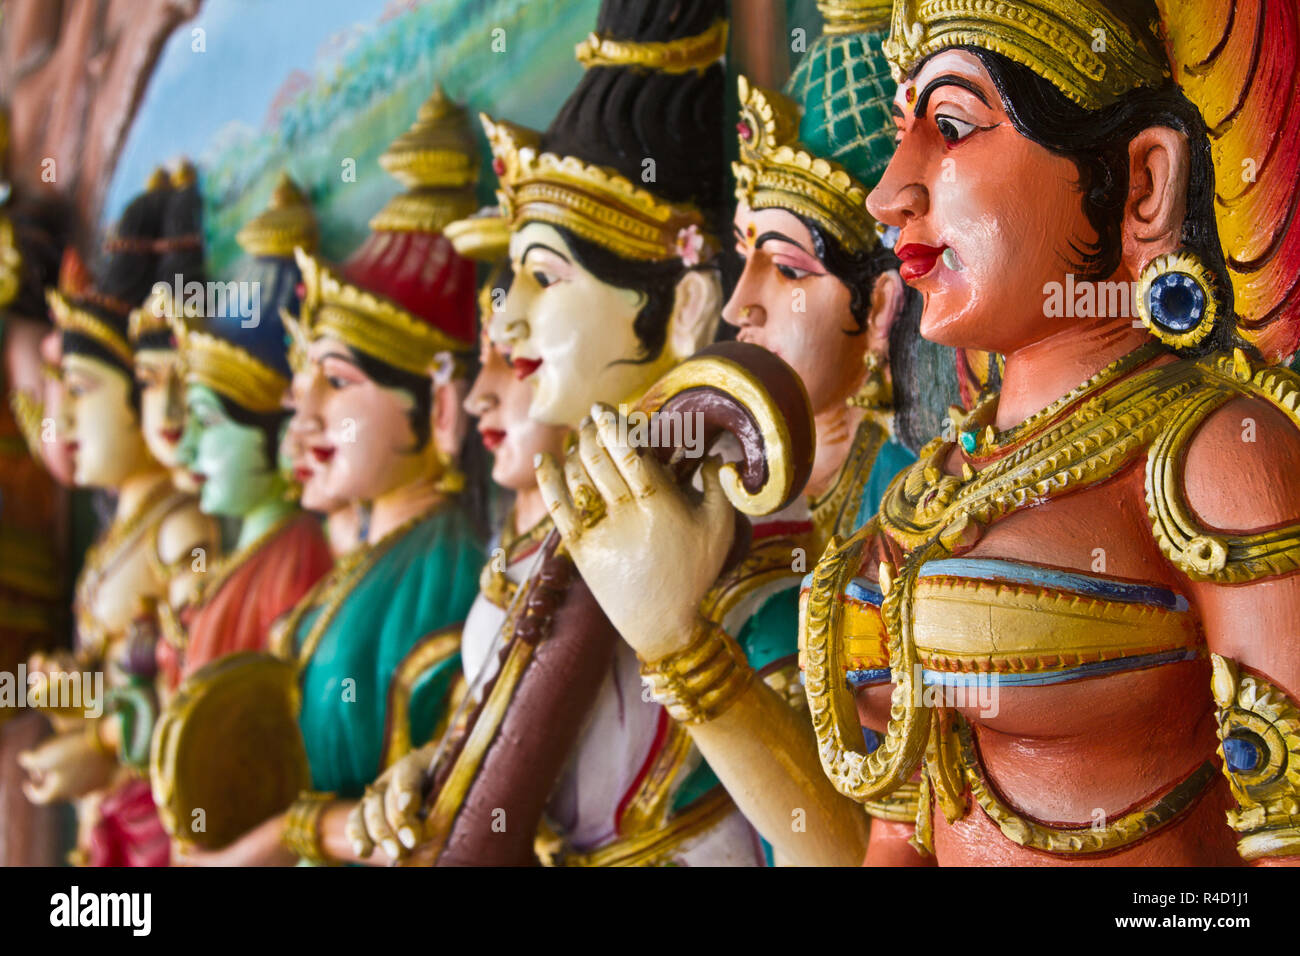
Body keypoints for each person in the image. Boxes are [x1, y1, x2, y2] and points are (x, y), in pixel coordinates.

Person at [800, 0, 1300, 865]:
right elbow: (899, 834)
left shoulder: (1214, 458)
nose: (890, 193)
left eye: (952, 125)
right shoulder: (929, 481)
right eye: (900, 126)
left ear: (1142, 181)